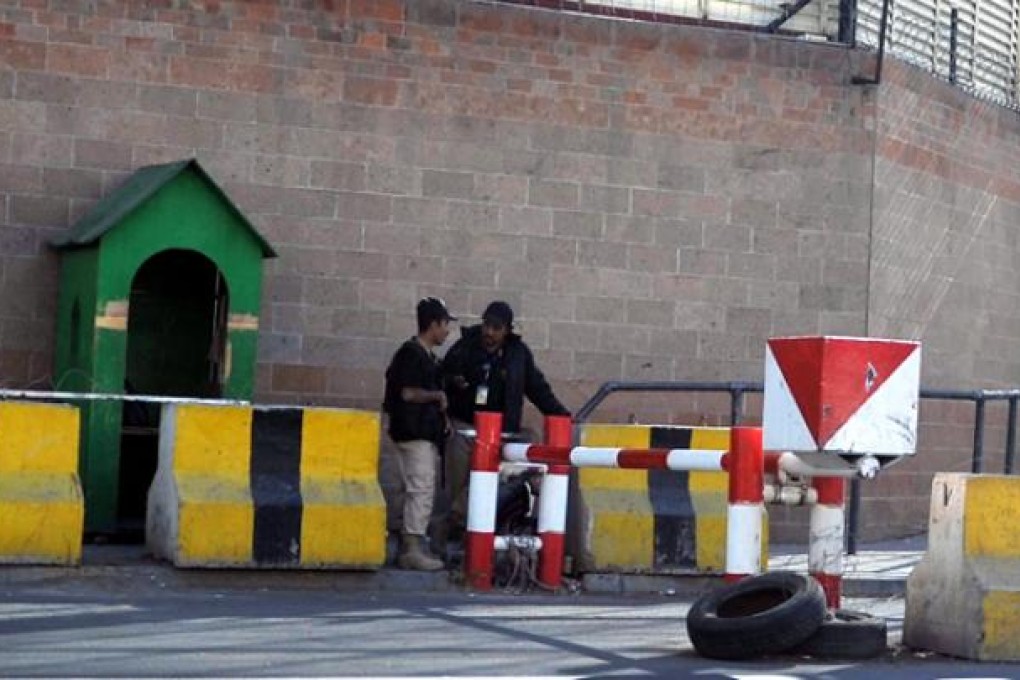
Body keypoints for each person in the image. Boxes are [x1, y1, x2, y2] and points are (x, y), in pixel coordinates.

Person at [439, 300, 570, 542]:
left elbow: (537, 389)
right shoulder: (465, 347)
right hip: (465, 427)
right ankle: (457, 533)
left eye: (496, 328)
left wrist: (561, 416)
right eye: (487, 325)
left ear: (508, 330)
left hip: (501, 434)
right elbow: (442, 379)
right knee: (459, 484)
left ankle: (465, 528)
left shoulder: (518, 355)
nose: (489, 332)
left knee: (485, 483)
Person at [383, 296, 457, 571]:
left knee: (410, 489)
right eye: (445, 324)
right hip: (414, 434)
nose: (447, 331)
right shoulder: (412, 355)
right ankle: (412, 548)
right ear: (434, 324)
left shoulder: (421, 356)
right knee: (421, 489)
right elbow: (407, 392)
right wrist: (436, 396)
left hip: (412, 432)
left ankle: (407, 544)